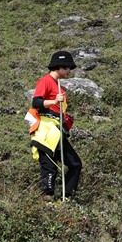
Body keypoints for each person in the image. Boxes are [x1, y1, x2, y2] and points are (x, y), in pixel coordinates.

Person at [30, 51, 83, 199]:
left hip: (57, 131)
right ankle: (46, 201)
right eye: (67, 68)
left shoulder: (60, 88)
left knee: (75, 164)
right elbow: (36, 102)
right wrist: (54, 101)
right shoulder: (45, 81)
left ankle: (66, 198)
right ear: (58, 67)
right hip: (46, 131)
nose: (69, 71)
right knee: (49, 167)